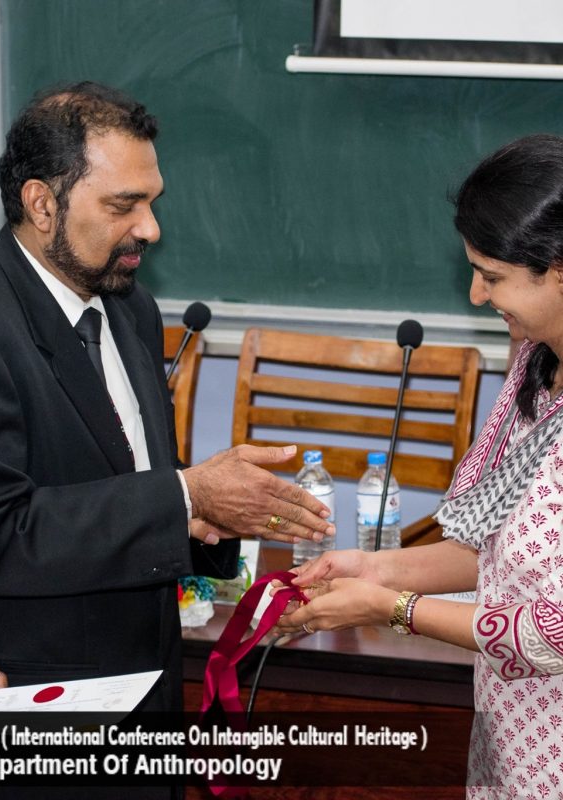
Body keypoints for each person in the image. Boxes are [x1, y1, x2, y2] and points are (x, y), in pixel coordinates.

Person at [0, 81, 334, 715]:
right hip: (42, 702)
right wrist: (187, 496)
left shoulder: (130, 307)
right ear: (42, 204)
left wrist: (211, 517)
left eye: (152, 201)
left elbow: (133, 479)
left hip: (153, 679)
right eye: (124, 205)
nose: (151, 228)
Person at [276, 133, 563, 798]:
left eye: (492, 276)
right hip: (509, 747)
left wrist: (394, 607)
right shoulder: (535, 362)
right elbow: (493, 552)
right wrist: (373, 568)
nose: (476, 295)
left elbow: (551, 634)